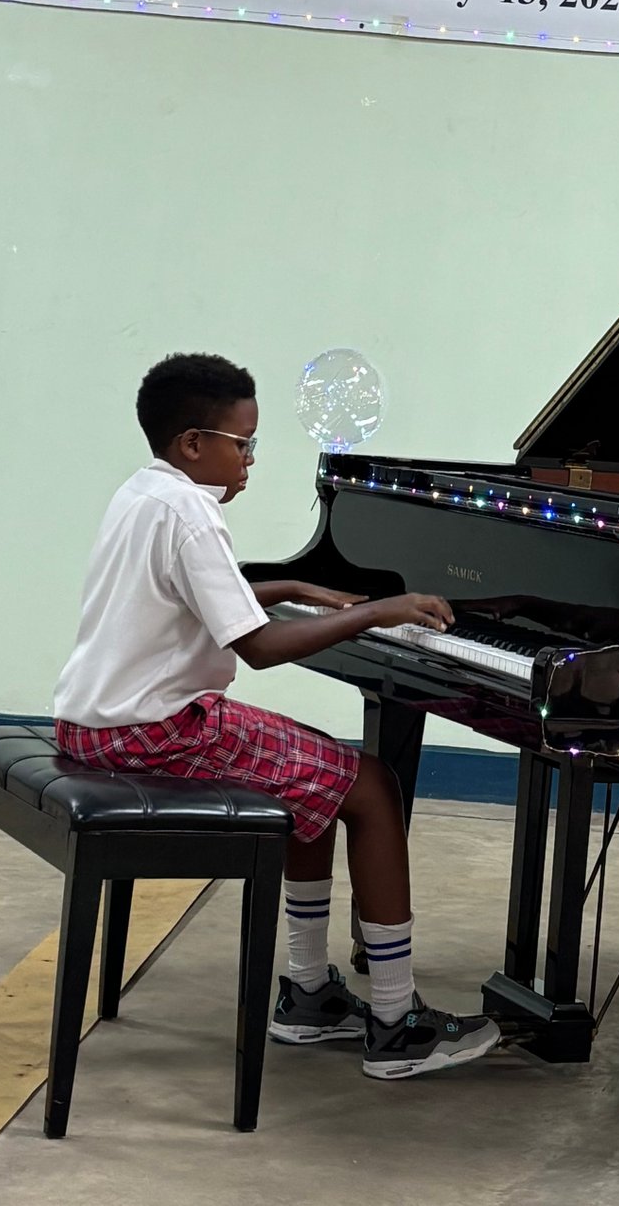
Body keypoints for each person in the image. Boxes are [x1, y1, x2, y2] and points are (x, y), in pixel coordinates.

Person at [54, 352, 500, 1080]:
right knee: (371, 785)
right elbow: (258, 648)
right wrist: (378, 611)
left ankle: (310, 993)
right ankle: (395, 1023)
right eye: (245, 443)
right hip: (153, 733)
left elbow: (197, 596)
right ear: (194, 443)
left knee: (315, 772)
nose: (251, 460)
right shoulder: (193, 513)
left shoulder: (145, 493)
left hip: (92, 722)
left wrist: (291, 582)